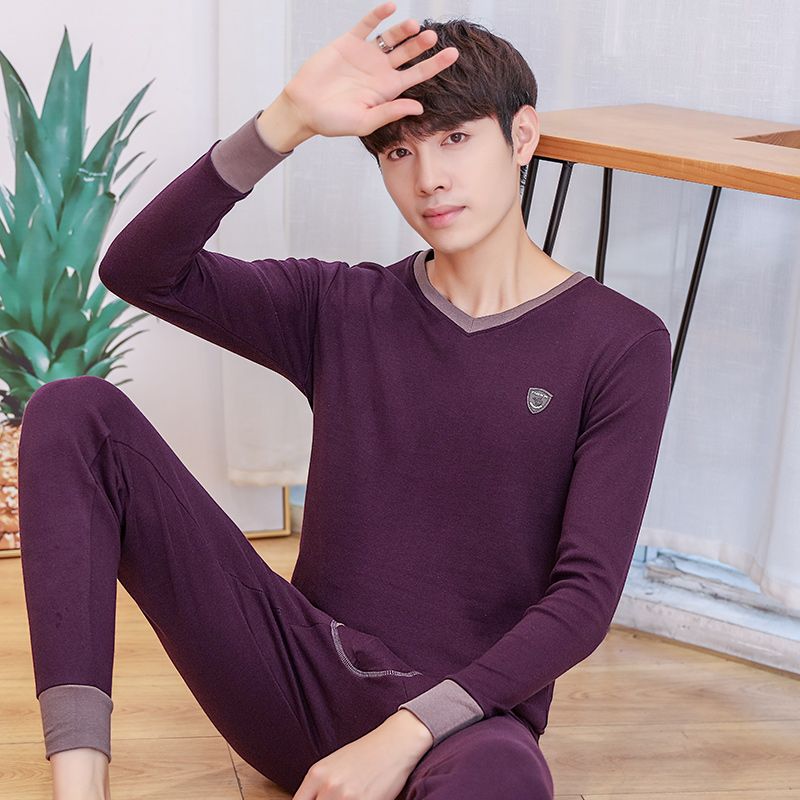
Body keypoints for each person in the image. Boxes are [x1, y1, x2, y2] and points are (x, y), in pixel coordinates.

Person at [18, 2, 672, 798]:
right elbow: (140, 269)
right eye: (399, 151)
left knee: (503, 779)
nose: (428, 178)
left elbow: (586, 597)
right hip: (291, 677)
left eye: (456, 139)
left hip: (461, 726)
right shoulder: (340, 307)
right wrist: (284, 123)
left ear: (522, 136)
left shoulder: (621, 343)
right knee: (73, 412)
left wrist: (403, 735)